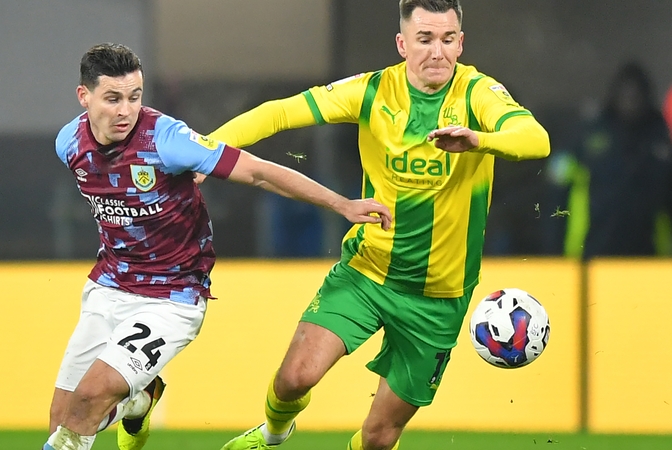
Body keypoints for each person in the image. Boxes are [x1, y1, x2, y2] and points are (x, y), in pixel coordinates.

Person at [206, 1, 551, 449]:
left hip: (439, 299)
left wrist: (479, 140)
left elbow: (536, 140)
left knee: (378, 438)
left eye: (448, 40)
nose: (437, 52)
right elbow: (280, 113)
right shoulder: (372, 91)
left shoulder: (477, 94)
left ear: (461, 43)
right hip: (369, 271)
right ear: (402, 44)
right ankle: (272, 437)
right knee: (295, 377)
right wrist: (207, 149)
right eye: (424, 40)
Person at [43, 43, 392, 450]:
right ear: (84, 97)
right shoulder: (69, 142)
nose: (125, 111)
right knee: (62, 420)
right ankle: (139, 401)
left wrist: (341, 203)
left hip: (171, 298)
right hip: (109, 287)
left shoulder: (167, 140)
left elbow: (259, 173)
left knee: (88, 400)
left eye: (134, 97)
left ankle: (130, 398)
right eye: (113, 99)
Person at [546, 62, 672, 258]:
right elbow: (557, 189)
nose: (631, 101)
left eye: (636, 95)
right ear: (615, 95)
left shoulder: (660, 136)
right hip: (591, 253)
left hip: (649, 259)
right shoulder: (590, 135)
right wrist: (554, 252)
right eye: (626, 94)